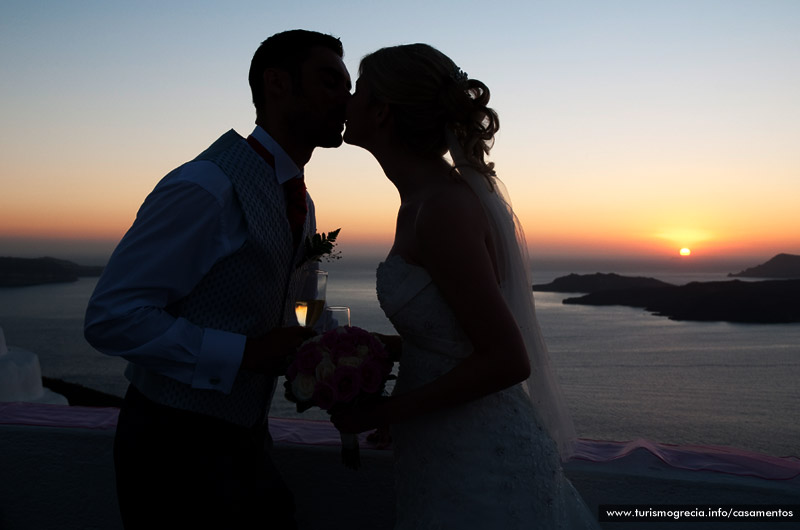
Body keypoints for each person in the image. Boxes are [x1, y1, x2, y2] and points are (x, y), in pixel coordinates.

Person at [84, 30, 351, 529]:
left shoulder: (300, 199)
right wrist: (248, 355)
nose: (347, 99)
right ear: (277, 83)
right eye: (331, 81)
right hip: (171, 448)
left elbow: (294, 307)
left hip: (244, 439)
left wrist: (352, 355)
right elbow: (111, 317)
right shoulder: (206, 187)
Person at [333, 44, 601, 528]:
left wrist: (389, 411)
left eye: (358, 89)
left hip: (481, 463)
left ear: (382, 112)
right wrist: (369, 351)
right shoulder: (419, 201)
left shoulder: (442, 210)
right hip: (439, 450)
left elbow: (506, 360)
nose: (346, 100)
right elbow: (449, 342)